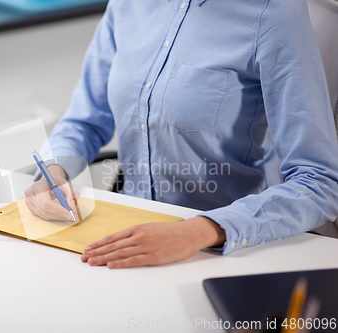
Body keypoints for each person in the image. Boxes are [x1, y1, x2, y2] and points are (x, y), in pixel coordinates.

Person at [24, 0, 338, 268]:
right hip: (123, 230)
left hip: (225, 247)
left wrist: (200, 230)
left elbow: (319, 182)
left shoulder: (272, 13)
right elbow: (84, 120)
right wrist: (53, 171)